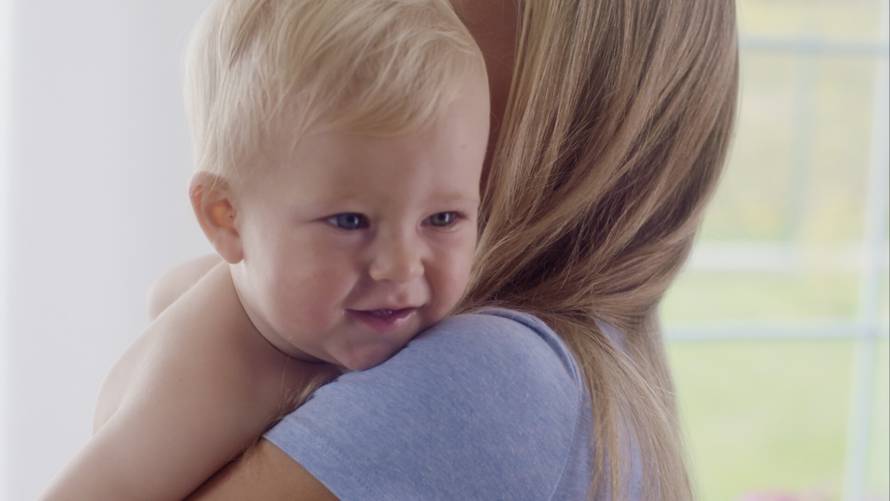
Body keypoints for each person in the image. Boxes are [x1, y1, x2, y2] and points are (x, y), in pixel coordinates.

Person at [102, 0, 738, 499]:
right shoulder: (589, 357)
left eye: (442, 218)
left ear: (565, 88)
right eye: (349, 219)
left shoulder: (491, 376)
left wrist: (213, 337)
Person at [39, 1, 490, 499]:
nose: (401, 267)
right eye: (349, 221)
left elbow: (169, 287)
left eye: (442, 219)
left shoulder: (304, 313)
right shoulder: (208, 391)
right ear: (226, 219)